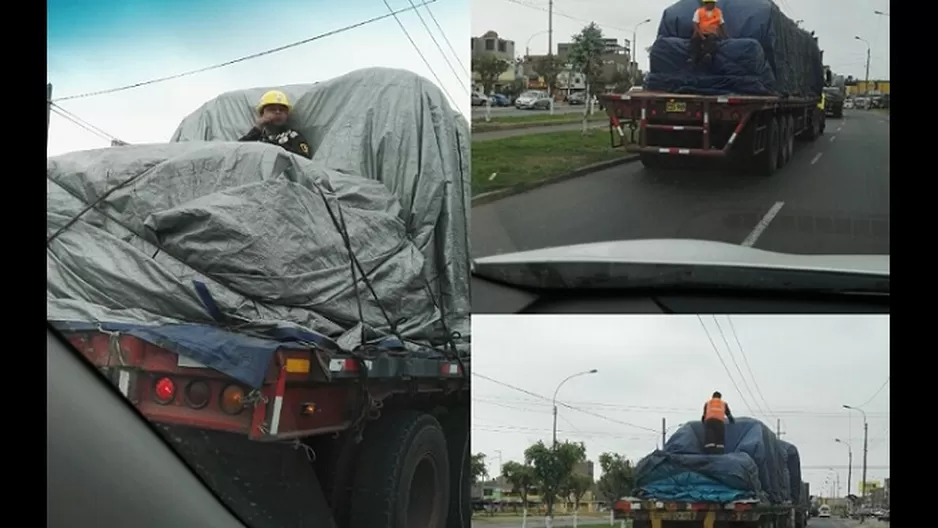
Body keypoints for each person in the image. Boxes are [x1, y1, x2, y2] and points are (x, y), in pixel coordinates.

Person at [239, 90, 313, 159]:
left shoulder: (293, 136)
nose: (278, 112)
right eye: (272, 109)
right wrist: (257, 128)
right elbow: (237, 152)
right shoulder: (256, 138)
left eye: (282, 110)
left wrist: (275, 147)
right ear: (262, 114)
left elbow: (304, 160)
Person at [689, 0, 728, 65]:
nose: (713, 5)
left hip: (712, 33)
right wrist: (701, 36)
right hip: (701, 32)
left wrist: (726, 36)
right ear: (706, 4)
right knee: (695, 40)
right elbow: (695, 24)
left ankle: (707, 55)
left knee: (711, 39)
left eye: (714, 3)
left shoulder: (718, 12)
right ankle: (692, 57)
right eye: (711, 3)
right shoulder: (699, 11)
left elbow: (721, 24)